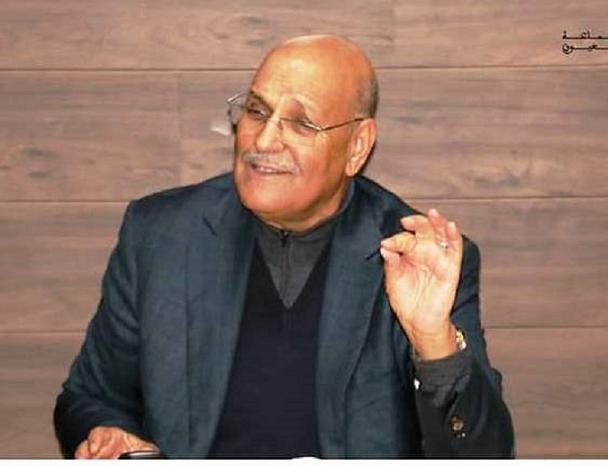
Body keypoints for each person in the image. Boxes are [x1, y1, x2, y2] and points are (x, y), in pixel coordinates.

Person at [54, 34, 514, 459]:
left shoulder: (413, 258)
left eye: (300, 123)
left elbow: (484, 454)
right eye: (257, 111)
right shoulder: (162, 235)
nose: (264, 139)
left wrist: (432, 340)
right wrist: (107, 431)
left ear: (357, 147)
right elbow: (91, 395)